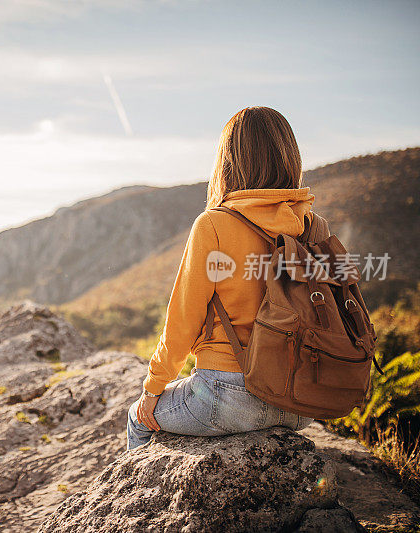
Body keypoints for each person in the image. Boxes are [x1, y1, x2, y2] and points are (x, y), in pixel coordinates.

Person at [127, 106, 315, 450]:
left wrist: (153, 389)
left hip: (229, 395)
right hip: (301, 402)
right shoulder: (311, 224)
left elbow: (183, 321)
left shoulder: (214, 224)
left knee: (137, 419)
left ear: (230, 161)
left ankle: (140, 502)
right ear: (290, 157)